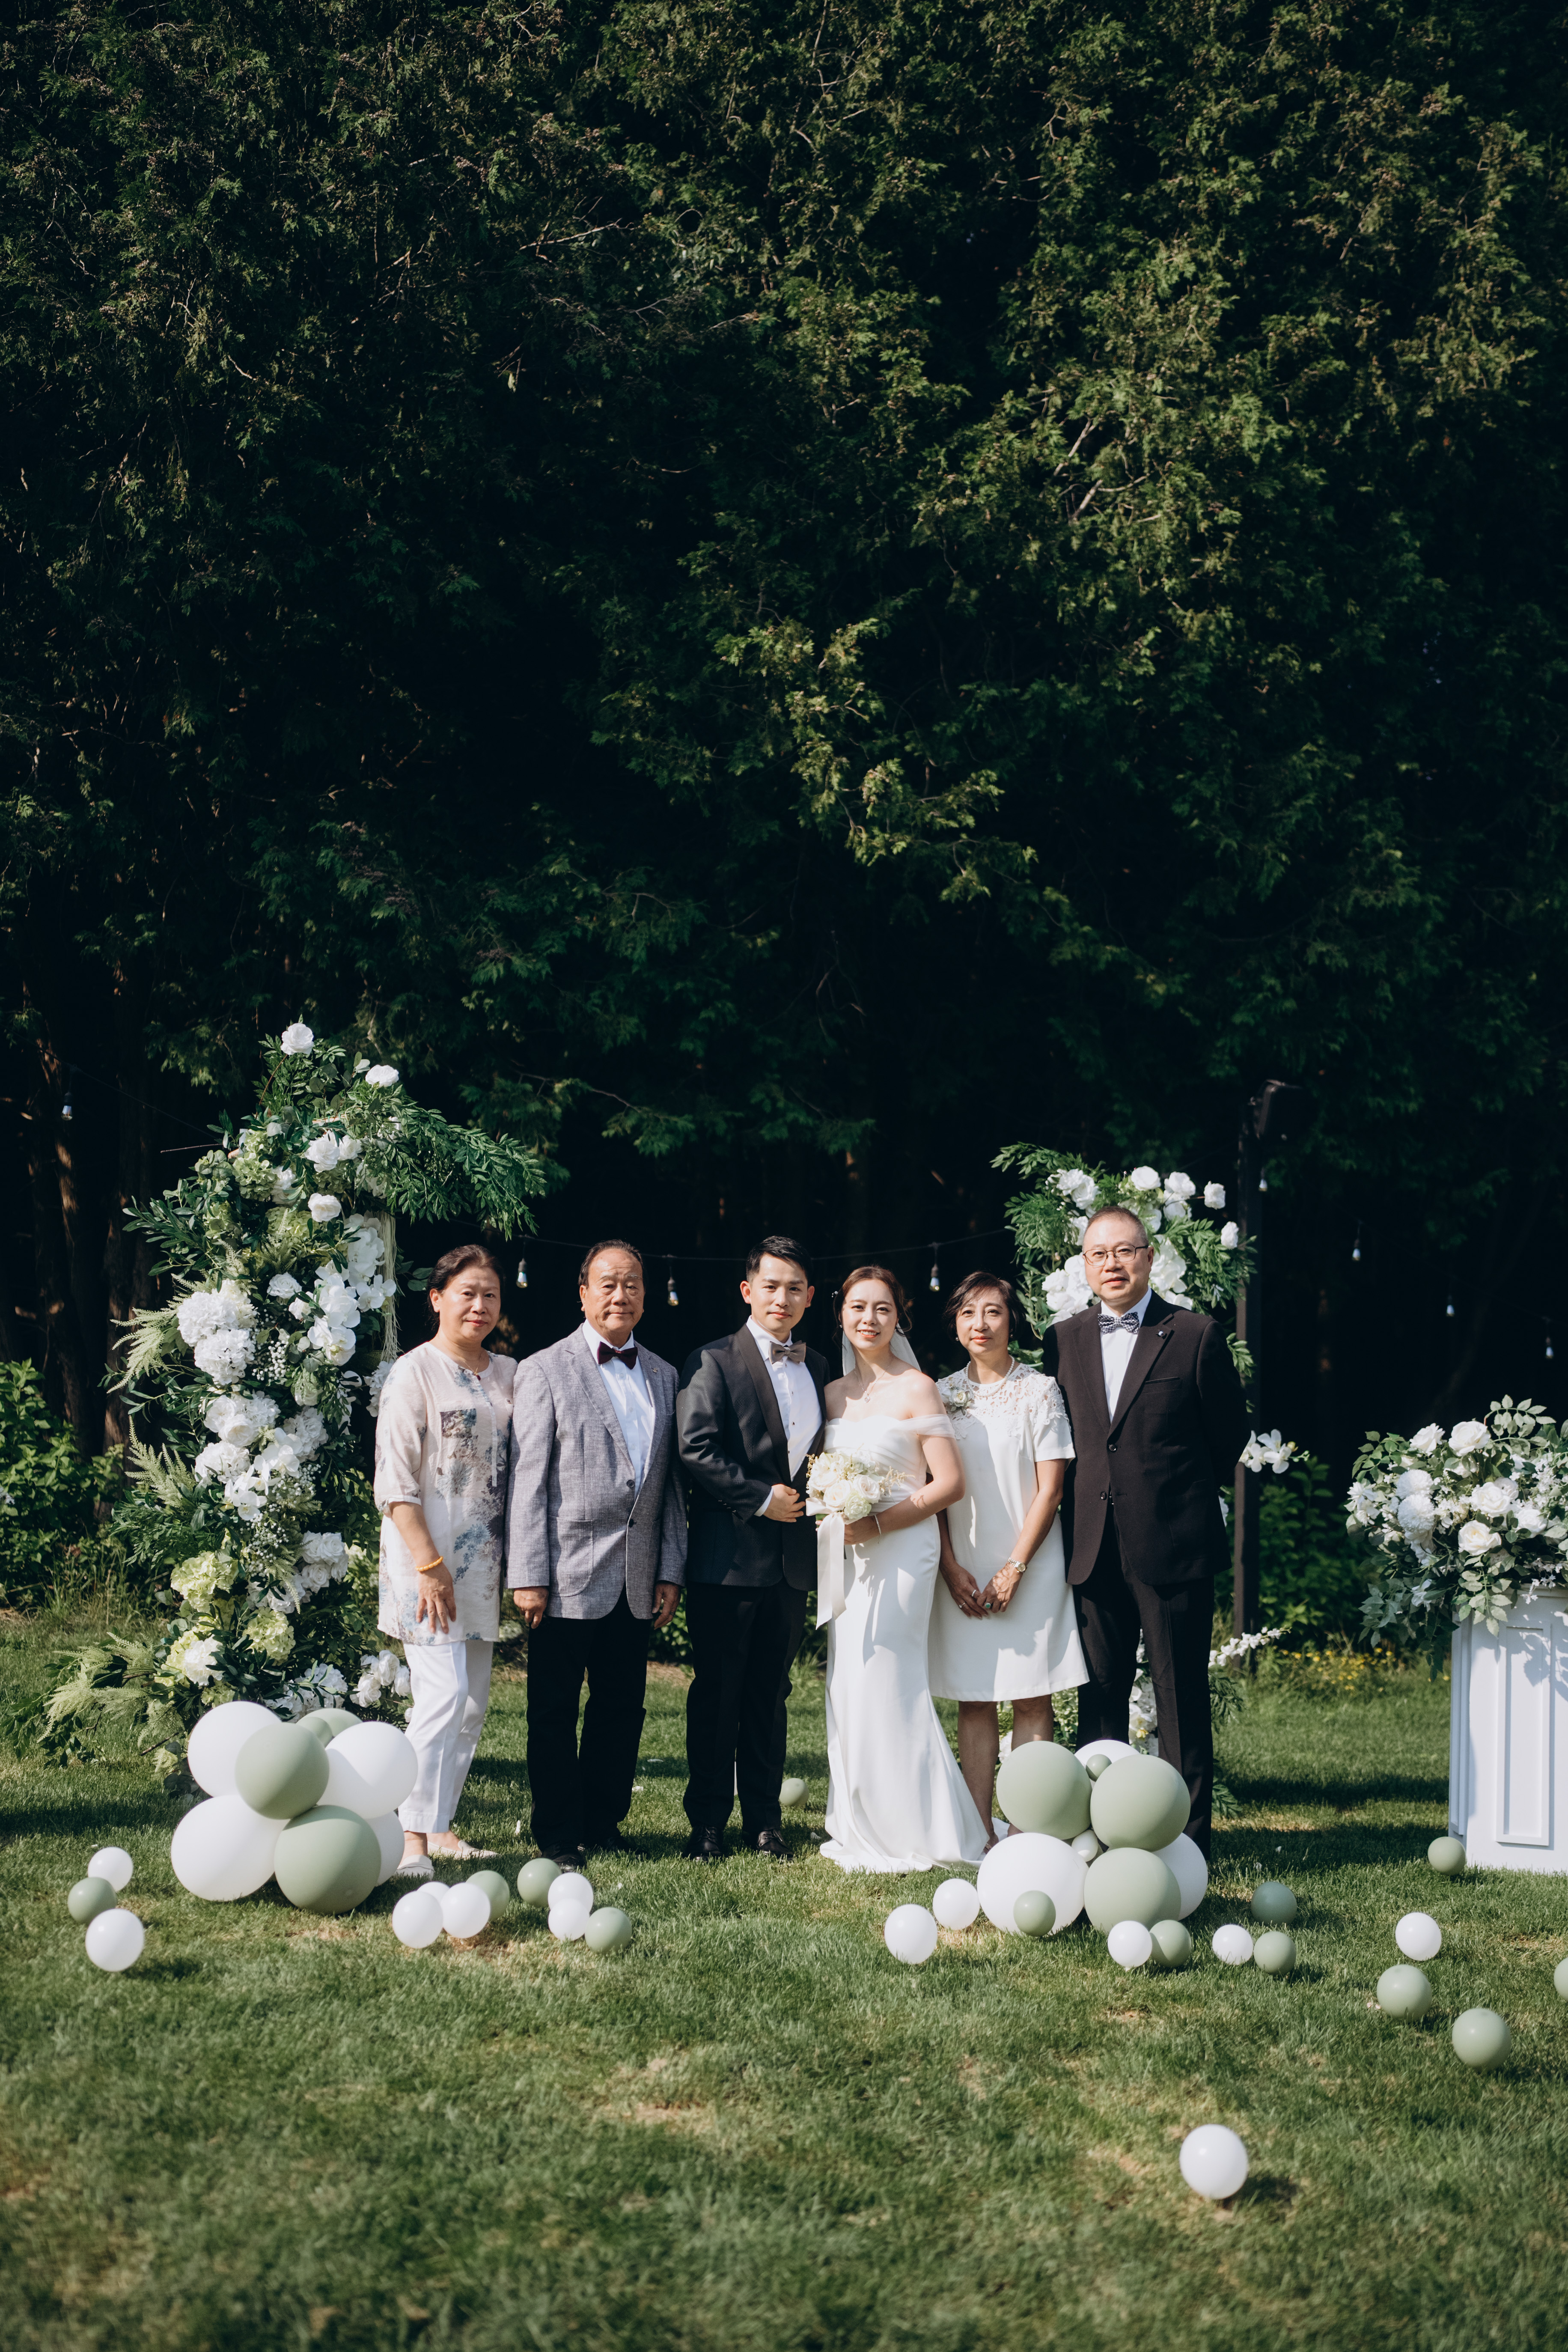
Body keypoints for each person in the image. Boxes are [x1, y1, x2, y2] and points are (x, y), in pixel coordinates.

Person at [1039, 1205, 1249, 1857]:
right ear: (1084, 1264)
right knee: (1099, 1695)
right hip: (1091, 1544)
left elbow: (1228, 1436)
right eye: (1098, 1254)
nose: (1112, 1264)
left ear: (1149, 1256)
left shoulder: (1194, 1334)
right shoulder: (1062, 1338)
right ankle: (1101, 1839)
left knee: (1179, 1696)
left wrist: (1170, 1497)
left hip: (1172, 1545)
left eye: (1124, 1251)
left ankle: (1187, 1845)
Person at [507, 1240, 685, 1870]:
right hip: (564, 1574)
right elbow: (529, 1479)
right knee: (553, 1709)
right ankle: (559, 1832)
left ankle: (604, 1822)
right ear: (583, 1293)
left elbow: (669, 1486)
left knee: (622, 1708)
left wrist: (670, 1568)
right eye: (608, 1283)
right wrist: (528, 1574)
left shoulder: (664, 1374)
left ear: (645, 1295)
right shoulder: (544, 1369)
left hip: (637, 1574)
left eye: (632, 1283)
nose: (621, 1295)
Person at [817, 1265, 988, 1873]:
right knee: (849, 1678)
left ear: (899, 1317)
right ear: (841, 1314)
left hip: (904, 1550)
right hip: (847, 1555)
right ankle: (860, 1818)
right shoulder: (832, 1394)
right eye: (858, 1307)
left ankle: (919, 1825)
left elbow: (950, 1483)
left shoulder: (918, 1387)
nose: (869, 1319)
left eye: (882, 1309)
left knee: (890, 1676)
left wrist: (880, 1524)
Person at [675, 1236, 829, 1861]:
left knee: (771, 1694)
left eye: (794, 1288)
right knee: (719, 1694)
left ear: (810, 1297)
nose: (782, 1298)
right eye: (770, 1286)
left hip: (792, 1563)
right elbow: (695, 1447)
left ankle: (765, 1822)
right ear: (747, 1291)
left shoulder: (820, 1367)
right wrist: (761, 1498)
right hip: (728, 1558)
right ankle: (708, 1823)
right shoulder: (712, 1360)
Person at [374, 1243, 515, 1878]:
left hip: (484, 1566)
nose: (479, 1306)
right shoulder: (415, 1373)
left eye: (490, 1295)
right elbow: (395, 1483)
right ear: (436, 1299)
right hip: (425, 1563)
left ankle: (441, 1826)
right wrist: (429, 1564)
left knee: (472, 1704)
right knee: (442, 1695)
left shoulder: (509, 1374)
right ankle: (409, 1838)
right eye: (466, 1294)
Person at [930, 1271, 1086, 1840]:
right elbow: (930, 1488)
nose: (981, 1324)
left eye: (993, 1311)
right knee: (973, 1700)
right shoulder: (938, 1394)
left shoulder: (1040, 1390)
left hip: (1032, 1563)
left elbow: (1052, 1489)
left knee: (1031, 1696)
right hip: (963, 1567)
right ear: (955, 1323)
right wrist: (950, 1567)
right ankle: (980, 1830)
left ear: (1011, 1320)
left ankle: (1027, 1828)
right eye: (968, 1313)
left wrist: (1016, 1566)